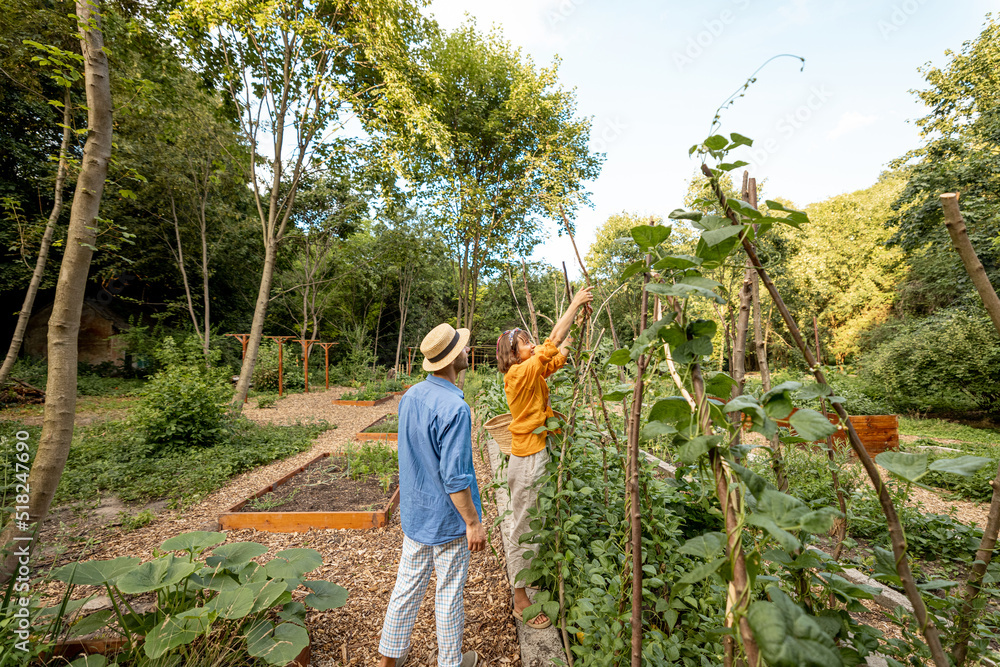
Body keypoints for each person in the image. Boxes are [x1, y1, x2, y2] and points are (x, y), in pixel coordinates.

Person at [378, 323, 486, 667]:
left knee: (406, 589)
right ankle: (451, 663)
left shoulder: (411, 396)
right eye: (464, 347)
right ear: (455, 358)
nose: (467, 351)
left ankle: (387, 661)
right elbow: (455, 478)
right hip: (447, 520)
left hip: (415, 513)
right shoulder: (455, 409)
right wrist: (472, 522)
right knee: (449, 595)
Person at [495, 286, 593, 630]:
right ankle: (520, 599)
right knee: (522, 524)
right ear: (513, 352)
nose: (533, 344)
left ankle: (531, 578)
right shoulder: (517, 374)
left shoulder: (531, 372)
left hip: (538, 451)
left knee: (534, 518)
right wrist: (574, 303)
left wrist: (579, 322)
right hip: (528, 458)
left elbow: (558, 353)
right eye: (526, 342)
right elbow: (553, 339)